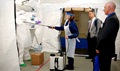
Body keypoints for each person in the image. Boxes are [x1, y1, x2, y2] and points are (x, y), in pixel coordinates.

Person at [96, 2, 119, 71]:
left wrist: (98, 47)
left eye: (105, 8)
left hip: (105, 50)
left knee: (104, 68)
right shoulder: (110, 18)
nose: (103, 9)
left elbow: (104, 36)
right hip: (105, 49)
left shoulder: (112, 19)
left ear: (109, 7)